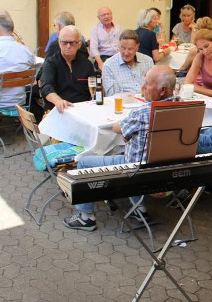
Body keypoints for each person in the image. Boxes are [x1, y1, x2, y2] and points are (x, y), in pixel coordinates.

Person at [63, 66, 178, 231]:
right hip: (167, 171)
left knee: (83, 162)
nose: (143, 87)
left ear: (162, 90)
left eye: (148, 84)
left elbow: (117, 128)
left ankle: (85, 218)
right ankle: (140, 210)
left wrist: (128, 133)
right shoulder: (184, 107)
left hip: (135, 172)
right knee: (136, 154)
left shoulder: (144, 112)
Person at [40, 25, 96, 113]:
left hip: (83, 110)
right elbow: (46, 87)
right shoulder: (51, 63)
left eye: (72, 42)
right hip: (59, 111)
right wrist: (58, 101)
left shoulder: (87, 64)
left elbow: (94, 89)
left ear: (79, 44)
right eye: (64, 42)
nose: (68, 46)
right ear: (59, 43)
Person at [102, 29, 154, 96]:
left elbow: (154, 86)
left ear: (137, 47)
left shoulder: (147, 61)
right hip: (122, 104)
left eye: (130, 49)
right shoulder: (108, 65)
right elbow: (111, 95)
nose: (126, 53)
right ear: (119, 46)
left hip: (145, 101)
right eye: (123, 48)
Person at [89, 6, 121, 71]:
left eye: (108, 14)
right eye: (103, 15)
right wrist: (100, 63)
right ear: (98, 18)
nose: (107, 16)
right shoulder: (95, 29)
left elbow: (122, 44)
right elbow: (93, 48)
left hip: (117, 56)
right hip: (103, 57)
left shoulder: (118, 27)